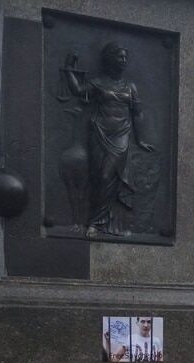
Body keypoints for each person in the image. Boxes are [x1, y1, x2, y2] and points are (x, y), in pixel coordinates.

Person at [60, 42, 155, 236]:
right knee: (98, 177)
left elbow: (138, 113)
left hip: (122, 135)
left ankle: (98, 223)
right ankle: (98, 222)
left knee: (109, 177)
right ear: (110, 59)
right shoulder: (98, 83)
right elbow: (78, 90)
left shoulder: (130, 87)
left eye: (125, 57)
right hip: (100, 133)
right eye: (120, 57)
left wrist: (141, 139)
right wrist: (69, 67)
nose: (124, 61)